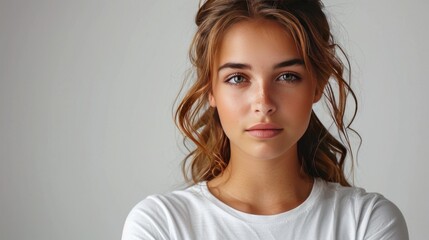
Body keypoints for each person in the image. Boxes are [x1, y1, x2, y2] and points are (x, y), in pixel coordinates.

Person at [122, 0, 408, 239]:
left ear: (317, 84)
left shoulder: (367, 223)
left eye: (287, 76)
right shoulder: (161, 226)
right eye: (237, 78)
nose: (264, 103)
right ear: (210, 88)